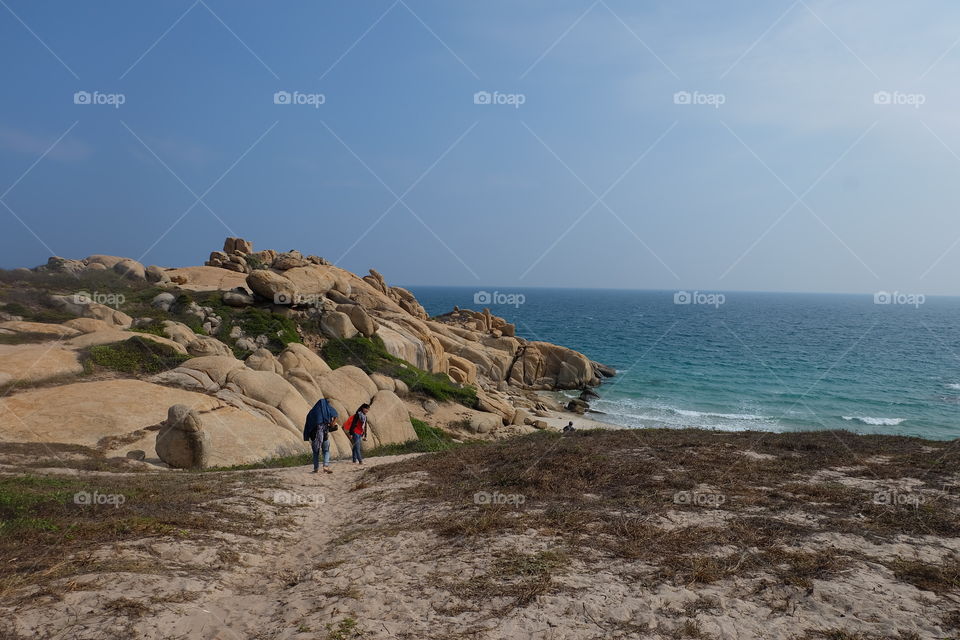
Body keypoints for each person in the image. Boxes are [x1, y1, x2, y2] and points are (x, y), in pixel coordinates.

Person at [303, 398, 338, 474]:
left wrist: (307, 435)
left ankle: (316, 468)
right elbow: (335, 414)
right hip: (324, 433)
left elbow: (307, 425)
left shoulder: (311, 413)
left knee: (316, 452)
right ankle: (325, 466)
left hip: (314, 435)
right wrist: (332, 424)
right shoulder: (327, 410)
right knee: (326, 451)